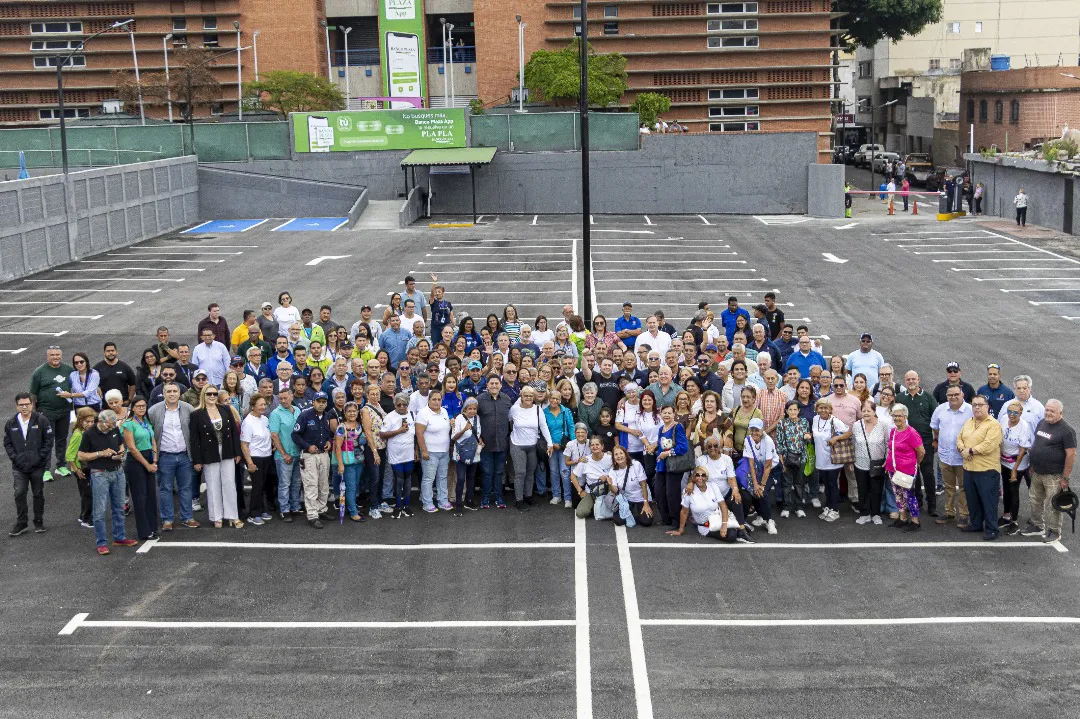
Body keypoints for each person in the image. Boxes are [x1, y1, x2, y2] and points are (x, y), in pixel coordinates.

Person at [77, 409, 137, 554]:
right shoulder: (89, 434)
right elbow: (80, 456)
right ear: (101, 421)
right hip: (99, 474)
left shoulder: (114, 428)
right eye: (109, 425)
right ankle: (101, 543)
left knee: (119, 507)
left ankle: (119, 537)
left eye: (113, 424)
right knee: (100, 510)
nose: (112, 427)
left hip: (117, 471)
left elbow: (121, 444)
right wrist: (100, 454)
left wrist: (121, 453)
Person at [1021, 399, 1076, 544]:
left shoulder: (1067, 431)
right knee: (1034, 500)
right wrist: (1032, 464)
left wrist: (1065, 477)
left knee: (1053, 504)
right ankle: (1037, 525)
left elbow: (1071, 454)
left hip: (1054, 475)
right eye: (1047, 410)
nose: (1048, 413)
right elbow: (1037, 444)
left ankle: (1054, 531)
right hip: (1037, 471)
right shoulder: (1042, 423)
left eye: (1052, 411)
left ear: (1060, 413)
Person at [190, 385, 243, 529]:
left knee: (229, 484)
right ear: (203, 395)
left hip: (227, 450)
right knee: (213, 485)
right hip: (209, 452)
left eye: (214, 394)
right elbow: (194, 440)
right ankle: (216, 517)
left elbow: (234, 432)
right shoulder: (196, 414)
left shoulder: (225, 409)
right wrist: (197, 460)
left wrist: (237, 452)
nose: (212, 396)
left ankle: (233, 516)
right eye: (209, 394)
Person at [147, 382, 196, 531]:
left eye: (175, 391)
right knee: (165, 488)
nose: (172, 394)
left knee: (186, 488)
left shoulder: (188, 409)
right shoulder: (154, 411)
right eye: (169, 391)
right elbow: (150, 434)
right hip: (165, 456)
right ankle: (167, 519)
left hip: (184, 456)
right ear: (164, 393)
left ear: (179, 393)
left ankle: (187, 517)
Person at [5, 393, 54, 537]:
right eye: (21, 405)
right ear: (17, 406)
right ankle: (22, 523)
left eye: (27, 404)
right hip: (19, 467)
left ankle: (38, 521)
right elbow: (7, 443)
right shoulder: (11, 423)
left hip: (37, 466)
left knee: (38, 493)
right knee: (19, 493)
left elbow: (49, 440)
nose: (24, 407)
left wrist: (40, 458)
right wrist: (15, 458)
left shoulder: (42, 420)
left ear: (32, 405)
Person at [957, 396, 1005, 540]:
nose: (976, 407)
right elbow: (959, 438)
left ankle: (992, 529)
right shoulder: (969, 422)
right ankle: (976, 523)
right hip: (969, 468)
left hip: (987, 470)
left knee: (988, 500)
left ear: (987, 406)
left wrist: (970, 451)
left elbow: (989, 445)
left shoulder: (993, 424)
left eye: (980, 405)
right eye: (974, 405)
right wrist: (963, 450)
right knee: (972, 499)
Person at [29, 346, 74, 481]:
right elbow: (33, 393)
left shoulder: (68, 370)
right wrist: (33, 412)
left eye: (58, 355)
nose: (55, 357)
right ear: (47, 356)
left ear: (61, 355)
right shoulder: (40, 372)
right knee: (47, 440)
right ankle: (45, 469)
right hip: (46, 412)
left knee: (62, 438)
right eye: (52, 355)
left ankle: (61, 465)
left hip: (64, 411)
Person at [897, 370, 938, 517]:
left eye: (913, 379)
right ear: (905, 381)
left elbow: (936, 419)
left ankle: (932, 504)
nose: (911, 381)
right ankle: (917, 502)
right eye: (908, 379)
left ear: (918, 380)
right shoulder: (900, 398)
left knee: (927, 473)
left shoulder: (928, 397)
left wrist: (936, 440)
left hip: (925, 442)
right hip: (907, 444)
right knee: (912, 475)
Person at [667, 468, 746, 543]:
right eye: (697, 475)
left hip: (719, 518)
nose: (700, 478)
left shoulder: (712, 485)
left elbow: (723, 506)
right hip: (706, 527)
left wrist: (724, 525)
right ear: (693, 477)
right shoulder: (688, 491)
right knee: (732, 536)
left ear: (707, 477)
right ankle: (736, 528)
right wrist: (681, 530)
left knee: (732, 529)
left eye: (703, 475)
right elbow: (684, 512)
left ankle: (737, 526)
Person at [930, 386, 972, 528]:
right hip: (945, 456)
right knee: (948, 486)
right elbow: (935, 427)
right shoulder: (940, 409)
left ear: (962, 394)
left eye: (956, 394)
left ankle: (964, 514)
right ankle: (949, 512)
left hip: (962, 458)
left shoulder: (971, 411)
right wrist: (938, 439)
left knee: (963, 487)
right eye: (950, 395)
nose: (953, 397)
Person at [291, 392, 334, 528]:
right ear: (313, 402)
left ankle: (322, 510)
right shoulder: (305, 415)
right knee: (311, 485)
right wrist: (307, 446)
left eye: (324, 401)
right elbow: (295, 435)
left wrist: (329, 442)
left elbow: (328, 434)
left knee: (323, 485)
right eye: (318, 401)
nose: (321, 404)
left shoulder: (326, 416)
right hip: (309, 456)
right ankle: (312, 515)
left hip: (323, 454)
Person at [508, 385, 554, 512]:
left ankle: (528, 496)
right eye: (525, 395)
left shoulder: (537, 409)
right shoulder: (514, 409)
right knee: (520, 472)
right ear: (521, 397)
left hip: (533, 445)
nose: (528, 398)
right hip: (517, 445)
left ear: (533, 397)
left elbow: (544, 426)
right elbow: (509, 421)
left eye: (530, 396)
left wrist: (550, 444)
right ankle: (519, 500)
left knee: (530, 472)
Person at [120, 396, 159, 541]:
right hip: (136, 462)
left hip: (149, 457)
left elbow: (153, 441)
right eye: (138, 406)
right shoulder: (128, 424)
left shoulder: (146, 421)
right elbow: (132, 448)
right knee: (140, 497)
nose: (142, 408)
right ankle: (144, 531)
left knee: (151, 496)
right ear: (133, 408)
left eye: (143, 406)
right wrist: (147, 465)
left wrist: (154, 460)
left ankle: (153, 528)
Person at [885, 404, 925, 532]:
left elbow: (921, 451)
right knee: (897, 495)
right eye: (894, 416)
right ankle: (902, 518)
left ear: (906, 417)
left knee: (909, 496)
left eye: (899, 416)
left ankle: (915, 521)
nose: (896, 418)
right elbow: (891, 449)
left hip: (907, 470)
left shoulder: (911, 433)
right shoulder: (893, 431)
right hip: (893, 469)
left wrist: (916, 463)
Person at [811, 398, 850, 522]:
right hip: (820, 459)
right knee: (826, 485)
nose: (823, 410)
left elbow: (848, 433)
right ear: (817, 409)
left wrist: (836, 438)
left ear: (830, 410)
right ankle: (828, 506)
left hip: (832, 459)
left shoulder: (835, 421)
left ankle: (835, 509)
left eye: (826, 408)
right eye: (820, 407)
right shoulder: (815, 419)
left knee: (833, 485)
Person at [999, 399, 1034, 533]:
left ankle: (1014, 521)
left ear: (1021, 413)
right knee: (1006, 489)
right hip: (1003, 460)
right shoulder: (1003, 419)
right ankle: (1006, 515)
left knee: (1014, 491)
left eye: (1015, 413)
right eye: (1010, 411)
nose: (1012, 415)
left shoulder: (1024, 426)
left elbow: (1022, 450)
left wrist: (1014, 470)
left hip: (1017, 463)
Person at [269, 386, 303, 521]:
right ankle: (284, 509)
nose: (283, 401)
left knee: (296, 482)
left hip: (297, 453)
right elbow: (274, 435)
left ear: (291, 397)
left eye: (285, 398)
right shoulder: (275, 414)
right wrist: (283, 454)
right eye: (280, 398)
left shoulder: (298, 410)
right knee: (284, 483)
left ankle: (295, 506)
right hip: (284, 455)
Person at [416, 389, 453, 513]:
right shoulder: (423, 413)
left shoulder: (445, 411)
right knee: (428, 478)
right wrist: (424, 450)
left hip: (444, 451)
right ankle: (427, 503)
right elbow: (419, 433)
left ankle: (443, 501)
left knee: (442, 477)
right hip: (430, 452)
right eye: (434, 399)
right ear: (429, 400)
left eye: (439, 399)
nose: (437, 402)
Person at [852, 398, 888, 526]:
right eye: (863, 410)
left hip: (877, 464)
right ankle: (864, 514)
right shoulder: (857, 425)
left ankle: (876, 514)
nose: (866, 413)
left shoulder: (883, 426)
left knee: (876, 490)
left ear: (874, 411)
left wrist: (887, 460)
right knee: (862, 490)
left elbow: (888, 444)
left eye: (868, 410)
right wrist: (852, 461)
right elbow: (853, 443)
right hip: (860, 464)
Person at [240, 395, 275, 526]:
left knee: (265, 485)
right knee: (257, 486)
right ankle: (254, 514)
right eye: (260, 404)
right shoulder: (248, 422)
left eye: (264, 404)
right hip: (255, 458)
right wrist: (249, 462)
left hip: (267, 456)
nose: (263, 407)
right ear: (253, 406)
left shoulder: (265, 419)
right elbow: (244, 445)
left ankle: (262, 509)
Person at [381, 392, 416, 518]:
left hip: (409, 454)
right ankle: (397, 506)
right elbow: (382, 434)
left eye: (404, 404)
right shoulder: (390, 417)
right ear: (395, 404)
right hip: (395, 454)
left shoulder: (412, 414)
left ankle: (406, 505)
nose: (402, 407)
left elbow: (416, 434)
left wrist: (416, 450)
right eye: (399, 404)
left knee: (408, 480)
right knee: (399, 480)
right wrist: (398, 431)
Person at [654, 404, 690, 526]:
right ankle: (665, 518)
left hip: (674, 465)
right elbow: (660, 447)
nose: (667, 415)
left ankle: (676, 520)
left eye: (669, 413)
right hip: (661, 466)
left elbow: (683, 447)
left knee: (672, 494)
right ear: (660, 415)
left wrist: (668, 453)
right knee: (659, 492)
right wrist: (658, 461)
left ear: (674, 414)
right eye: (664, 413)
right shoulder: (661, 429)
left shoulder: (677, 427)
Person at [742, 417, 779, 535]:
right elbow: (751, 464)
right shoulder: (748, 440)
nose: (754, 433)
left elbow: (768, 465)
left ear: (762, 430)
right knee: (754, 489)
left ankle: (769, 520)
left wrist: (761, 485)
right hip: (757, 469)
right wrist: (755, 483)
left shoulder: (768, 440)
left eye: (757, 430)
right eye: (752, 430)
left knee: (763, 492)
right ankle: (761, 515)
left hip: (772, 469)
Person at [776, 399, 811, 518]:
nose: (793, 412)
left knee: (799, 483)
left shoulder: (804, 422)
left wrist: (808, 436)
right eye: (790, 409)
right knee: (786, 483)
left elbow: (808, 437)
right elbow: (779, 442)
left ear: (799, 410)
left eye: (795, 409)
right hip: (787, 457)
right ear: (786, 411)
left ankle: (799, 507)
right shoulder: (782, 423)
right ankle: (786, 507)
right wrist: (781, 458)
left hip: (801, 457)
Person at [65, 406, 97, 528]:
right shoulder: (78, 435)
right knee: (88, 494)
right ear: (80, 421)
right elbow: (69, 455)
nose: (90, 424)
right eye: (87, 422)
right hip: (81, 470)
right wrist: (77, 470)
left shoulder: (84, 432)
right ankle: (88, 519)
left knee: (85, 494)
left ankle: (83, 515)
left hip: (84, 468)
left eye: (92, 421)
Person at [608, 444, 654, 527]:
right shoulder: (613, 470)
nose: (619, 456)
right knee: (618, 521)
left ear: (626, 454)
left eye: (621, 453)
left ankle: (636, 513)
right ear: (613, 458)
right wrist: (610, 484)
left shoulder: (636, 464)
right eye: (616, 454)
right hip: (626, 498)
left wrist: (646, 503)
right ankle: (631, 512)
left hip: (641, 498)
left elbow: (643, 484)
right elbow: (615, 491)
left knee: (646, 522)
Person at [451, 397, 482, 515]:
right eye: (470, 408)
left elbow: (477, 433)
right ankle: (458, 504)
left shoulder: (477, 418)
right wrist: (464, 429)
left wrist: (480, 440)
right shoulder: (459, 418)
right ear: (465, 409)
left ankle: (469, 500)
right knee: (460, 478)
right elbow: (453, 437)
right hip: (461, 453)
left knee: (471, 478)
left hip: (473, 452)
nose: (472, 411)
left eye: (474, 409)